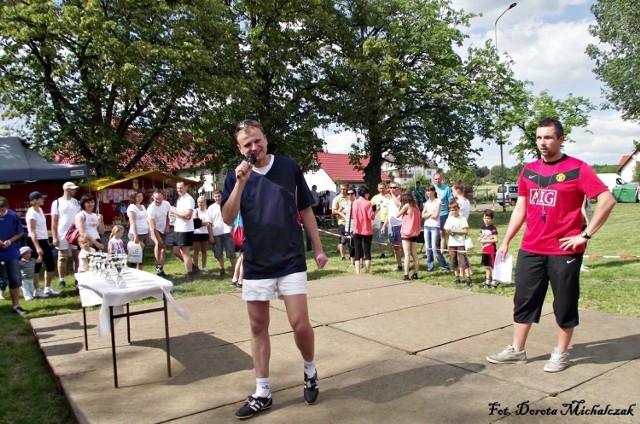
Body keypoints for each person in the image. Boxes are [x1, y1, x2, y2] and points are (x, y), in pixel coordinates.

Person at [486, 117, 615, 373]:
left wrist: (585, 235)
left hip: (564, 250)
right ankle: (517, 350)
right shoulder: (529, 170)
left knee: (564, 303)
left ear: (561, 139)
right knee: (523, 300)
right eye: (538, 138)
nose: (542, 143)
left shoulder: (578, 168)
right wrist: (507, 240)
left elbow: (607, 200)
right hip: (531, 248)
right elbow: (520, 208)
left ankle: (561, 353)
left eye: (548, 137)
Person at [221, 119, 327, 419]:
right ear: (240, 149)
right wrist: (241, 182)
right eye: (247, 144)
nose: (254, 147)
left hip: (290, 258)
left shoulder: (288, 167)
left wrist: (317, 248)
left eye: (257, 140)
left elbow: (305, 208)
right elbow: (228, 218)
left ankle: (309, 370)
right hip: (256, 262)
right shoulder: (236, 176)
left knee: (300, 323)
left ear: (265, 138)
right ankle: (263, 391)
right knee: (258, 327)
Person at [26, 191, 59, 296]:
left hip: (44, 240)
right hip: (35, 240)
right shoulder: (31, 214)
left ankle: (47, 288)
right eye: (41, 198)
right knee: (37, 266)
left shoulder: (39, 210)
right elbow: (32, 231)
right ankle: (37, 290)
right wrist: (37, 247)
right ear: (35, 200)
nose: (43, 199)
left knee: (50, 264)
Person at [51, 181, 81, 289]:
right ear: (67, 189)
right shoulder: (57, 202)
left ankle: (77, 278)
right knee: (62, 257)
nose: (75, 191)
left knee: (76, 256)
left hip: (75, 233)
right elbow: (54, 221)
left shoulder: (76, 202)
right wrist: (54, 236)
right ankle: (62, 280)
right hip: (62, 233)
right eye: (73, 189)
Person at [0, 196, 27, 314]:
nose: (0, 213)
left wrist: (10, 241)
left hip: (11, 252)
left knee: (15, 279)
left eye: (2, 210)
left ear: (7, 207)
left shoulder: (13, 216)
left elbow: (20, 232)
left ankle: (16, 305)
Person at [170, 181, 198, 281]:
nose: (179, 190)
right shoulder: (179, 199)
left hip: (186, 229)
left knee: (185, 252)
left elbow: (188, 215)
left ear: (186, 187)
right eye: (177, 188)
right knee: (176, 251)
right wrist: (173, 214)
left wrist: (174, 211)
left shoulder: (189, 199)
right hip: (178, 228)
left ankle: (189, 274)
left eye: (181, 188)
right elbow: (179, 214)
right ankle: (193, 267)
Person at [207, 189, 237, 278]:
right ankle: (222, 270)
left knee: (231, 252)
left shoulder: (227, 205)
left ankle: (235, 270)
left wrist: (233, 230)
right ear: (213, 197)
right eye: (215, 196)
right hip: (216, 234)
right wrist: (211, 236)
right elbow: (209, 223)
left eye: (219, 196)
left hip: (227, 232)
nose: (217, 198)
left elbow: (233, 218)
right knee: (218, 253)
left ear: (222, 196)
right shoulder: (211, 208)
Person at [443, 200, 471, 287]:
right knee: (453, 261)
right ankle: (457, 277)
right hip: (452, 243)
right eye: (451, 210)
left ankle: (468, 278)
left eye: (455, 210)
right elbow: (446, 229)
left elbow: (465, 230)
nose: (453, 212)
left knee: (463, 261)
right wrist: (449, 231)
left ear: (458, 209)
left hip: (461, 243)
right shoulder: (449, 219)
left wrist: (456, 231)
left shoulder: (462, 219)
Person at [422, 186, 449, 272]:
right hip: (426, 226)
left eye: (429, 191)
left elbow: (436, 215)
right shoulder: (427, 203)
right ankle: (430, 266)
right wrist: (430, 213)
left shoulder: (438, 202)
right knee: (428, 247)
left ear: (433, 192)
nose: (428, 192)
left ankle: (444, 265)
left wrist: (428, 214)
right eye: (427, 191)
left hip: (435, 226)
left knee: (434, 247)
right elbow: (422, 215)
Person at [397, 190, 421, 281]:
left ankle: (406, 274)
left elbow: (397, 215)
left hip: (406, 233)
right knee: (414, 254)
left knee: (407, 254)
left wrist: (400, 205)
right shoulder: (416, 206)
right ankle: (415, 273)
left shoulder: (406, 206)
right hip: (415, 233)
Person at [147, 189, 171, 277]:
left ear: (163, 197)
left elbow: (169, 216)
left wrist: (168, 226)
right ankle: (158, 266)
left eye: (160, 198)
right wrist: (159, 240)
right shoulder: (151, 208)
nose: (158, 200)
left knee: (164, 249)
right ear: (153, 198)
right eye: (156, 198)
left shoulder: (166, 204)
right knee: (158, 244)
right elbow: (153, 227)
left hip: (163, 228)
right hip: (154, 229)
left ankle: (160, 268)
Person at [351, 185, 375, 274]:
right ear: (365, 194)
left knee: (357, 251)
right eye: (368, 193)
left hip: (357, 229)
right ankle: (367, 271)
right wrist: (374, 212)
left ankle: (358, 272)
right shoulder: (368, 203)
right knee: (367, 252)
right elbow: (371, 217)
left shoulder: (354, 202)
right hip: (367, 230)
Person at [381, 183, 404, 272]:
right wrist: (384, 225)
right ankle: (399, 265)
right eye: (390, 187)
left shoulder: (401, 198)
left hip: (400, 225)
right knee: (395, 247)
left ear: (399, 188)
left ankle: (406, 263)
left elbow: (399, 205)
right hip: (391, 226)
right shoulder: (390, 200)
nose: (392, 189)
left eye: (394, 187)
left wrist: (392, 194)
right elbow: (389, 214)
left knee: (402, 247)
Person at [453, 180, 473, 280]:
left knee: (460, 252)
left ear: (457, 190)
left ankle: (465, 271)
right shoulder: (467, 200)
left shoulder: (459, 202)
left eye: (453, 190)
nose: (452, 192)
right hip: (464, 225)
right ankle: (465, 271)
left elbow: (454, 213)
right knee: (461, 252)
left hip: (459, 228)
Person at [433, 172, 454, 252]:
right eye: (436, 179)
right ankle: (437, 248)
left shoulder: (446, 188)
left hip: (443, 213)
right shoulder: (432, 188)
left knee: (442, 232)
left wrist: (451, 212)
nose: (437, 180)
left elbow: (451, 201)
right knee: (435, 232)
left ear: (441, 179)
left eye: (439, 179)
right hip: (434, 213)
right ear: (434, 180)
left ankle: (442, 250)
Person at [478, 209, 498, 288]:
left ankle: (494, 280)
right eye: (485, 218)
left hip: (491, 249)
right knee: (486, 265)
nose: (486, 220)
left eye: (488, 218)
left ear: (492, 219)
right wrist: (480, 238)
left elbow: (496, 239)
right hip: (484, 249)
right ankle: (487, 280)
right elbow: (482, 235)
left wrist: (486, 240)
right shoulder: (483, 228)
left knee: (492, 266)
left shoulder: (493, 228)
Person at [337, 188, 356, 266]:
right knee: (350, 245)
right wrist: (344, 216)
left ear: (355, 194)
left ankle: (359, 260)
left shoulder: (357, 202)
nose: (350, 195)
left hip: (356, 227)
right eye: (348, 194)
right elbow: (338, 211)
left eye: (351, 194)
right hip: (348, 226)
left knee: (356, 245)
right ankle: (352, 262)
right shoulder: (345, 203)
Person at [193, 195, 212, 272]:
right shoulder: (195, 211)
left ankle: (204, 267)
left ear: (205, 202)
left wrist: (200, 223)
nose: (200, 203)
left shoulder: (207, 212)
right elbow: (195, 222)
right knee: (196, 251)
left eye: (202, 202)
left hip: (205, 233)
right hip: (196, 233)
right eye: (199, 202)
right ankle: (196, 267)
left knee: (204, 251)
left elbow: (209, 223)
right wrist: (204, 223)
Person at [370, 182, 389, 259]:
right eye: (380, 188)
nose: (381, 190)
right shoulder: (375, 197)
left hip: (390, 220)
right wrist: (373, 214)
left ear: (385, 188)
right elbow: (368, 206)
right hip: (380, 220)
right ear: (378, 189)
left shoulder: (390, 196)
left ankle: (397, 252)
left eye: (383, 188)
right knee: (380, 237)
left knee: (392, 237)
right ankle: (382, 253)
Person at [331, 183, 349, 260]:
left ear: (347, 189)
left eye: (344, 189)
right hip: (342, 222)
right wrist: (342, 212)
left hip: (351, 223)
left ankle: (352, 256)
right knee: (342, 240)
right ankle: (343, 256)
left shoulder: (350, 197)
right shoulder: (337, 198)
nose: (343, 191)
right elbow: (333, 211)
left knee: (351, 240)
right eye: (341, 189)